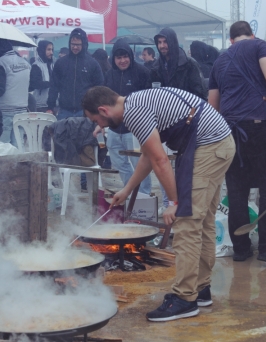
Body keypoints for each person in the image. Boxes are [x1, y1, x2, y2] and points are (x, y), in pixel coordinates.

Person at [85, 85, 235, 322]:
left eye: (98, 120)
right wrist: (127, 190)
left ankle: (185, 298)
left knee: (186, 222)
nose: (101, 126)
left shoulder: (133, 112)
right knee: (203, 221)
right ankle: (200, 288)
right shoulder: (136, 103)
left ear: (103, 109)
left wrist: (174, 202)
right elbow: (148, 155)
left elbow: (161, 160)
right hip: (217, 144)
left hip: (209, 146)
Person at [208, 21, 266, 265]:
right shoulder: (259, 46)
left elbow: (212, 105)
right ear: (252, 35)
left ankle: (241, 249)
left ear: (231, 41)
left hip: (229, 130)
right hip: (257, 127)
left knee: (237, 190)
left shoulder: (219, 61)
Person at [103, 38, 152, 195]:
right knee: (120, 164)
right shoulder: (109, 75)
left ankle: (144, 197)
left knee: (140, 165)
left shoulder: (142, 72)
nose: (123, 61)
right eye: (119, 58)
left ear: (131, 56)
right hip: (114, 129)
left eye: (125, 57)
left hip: (135, 130)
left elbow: (149, 100)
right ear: (113, 59)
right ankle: (130, 193)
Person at [0, 38, 43, 144]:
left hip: (4, 110)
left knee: (3, 147)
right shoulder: (25, 62)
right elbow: (30, 86)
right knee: (17, 146)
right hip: (22, 111)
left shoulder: (0, 62)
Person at [48, 28, 104, 119]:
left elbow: (99, 88)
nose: (75, 47)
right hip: (64, 111)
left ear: (84, 44)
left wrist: (95, 107)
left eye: (78, 45)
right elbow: (54, 86)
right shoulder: (60, 63)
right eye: (73, 44)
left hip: (85, 112)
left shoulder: (92, 63)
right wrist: (50, 106)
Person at [150, 28, 207, 99]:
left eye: (165, 42)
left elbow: (199, 92)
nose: (162, 46)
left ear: (172, 42)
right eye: (159, 42)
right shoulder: (156, 67)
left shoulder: (189, 64)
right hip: (164, 108)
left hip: (186, 108)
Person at [30, 40, 55, 112]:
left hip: (53, 103)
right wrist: (52, 83)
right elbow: (35, 84)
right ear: (42, 50)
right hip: (41, 105)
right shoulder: (36, 66)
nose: (51, 53)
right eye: (49, 50)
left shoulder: (52, 64)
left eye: (52, 49)